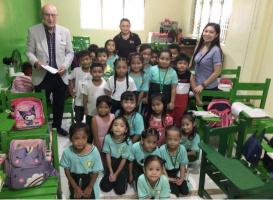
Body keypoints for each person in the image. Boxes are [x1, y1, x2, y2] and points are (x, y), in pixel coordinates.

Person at [26, 4, 74, 136]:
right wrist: (35, 62)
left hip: (60, 73)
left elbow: (70, 52)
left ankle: (57, 126)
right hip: (42, 74)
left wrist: (65, 65)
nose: (50, 18)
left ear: (56, 16)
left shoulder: (65, 31)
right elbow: (29, 52)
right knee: (40, 103)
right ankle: (40, 127)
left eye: (53, 15)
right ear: (42, 16)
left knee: (59, 103)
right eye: (47, 15)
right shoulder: (33, 31)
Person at [60, 123, 103, 199]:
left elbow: (96, 172)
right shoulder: (67, 152)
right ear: (70, 138)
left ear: (87, 137)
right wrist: (76, 187)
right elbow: (67, 172)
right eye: (76, 138)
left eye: (83, 138)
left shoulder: (94, 151)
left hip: (90, 180)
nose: (80, 141)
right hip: (74, 180)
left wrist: (90, 187)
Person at [191, 23, 223, 106]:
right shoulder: (199, 46)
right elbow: (194, 63)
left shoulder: (216, 50)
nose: (207, 34)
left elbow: (217, 72)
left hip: (208, 88)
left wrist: (203, 85)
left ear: (216, 35)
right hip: (196, 85)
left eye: (211, 32)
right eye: (206, 31)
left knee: (205, 112)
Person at [100, 116, 131, 195]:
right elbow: (107, 155)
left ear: (126, 130)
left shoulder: (128, 142)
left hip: (121, 164)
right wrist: (110, 172)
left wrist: (116, 174)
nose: (118, 128)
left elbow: (124, 159)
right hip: (111, 163)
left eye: (122, 126)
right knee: (104, 187)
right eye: (115, 125)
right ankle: (113, 179)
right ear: (111, 128)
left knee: (121, 191)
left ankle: (118, 179)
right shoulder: (107, 138)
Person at [160, 126, 189, 197]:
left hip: (177, 172)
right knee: (175, 194)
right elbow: (161, 166)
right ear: (165, 139)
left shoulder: (182, 149)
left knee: (185, 191)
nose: (172, 142)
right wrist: (168, 179)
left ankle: (174, 184)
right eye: (169, 139)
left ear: (180, 139)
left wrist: (181, 178)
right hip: (166, 172)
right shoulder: (162, 149)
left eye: (175, 140)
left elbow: (182, 165)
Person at [82, 62, 107, 142]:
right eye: (94, 72)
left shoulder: (105, 83)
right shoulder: (87, 84)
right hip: (90, 112)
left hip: (102, 112)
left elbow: (107, 97)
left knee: (100, 128)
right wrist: (85, 109)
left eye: (99, 72)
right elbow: (85, 98)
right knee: (89, 129)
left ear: (103, 72)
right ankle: (89, 143)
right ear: (90, 72)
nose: (97, 74)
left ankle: (100, 143)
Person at [69, 50, 92, 123]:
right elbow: (69, 79)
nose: (85, 61)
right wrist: (71, 91)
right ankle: (78, 131)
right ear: (79, 61)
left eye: (87, 59)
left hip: (90, 101)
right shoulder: (76, 70)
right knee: (78, 119)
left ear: (91, 59)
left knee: (89, 119)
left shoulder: (93, 71)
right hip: (78, 101)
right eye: (82, 60)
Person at [173, 53, 192, 126]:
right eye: (180, 63)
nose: (182, 65)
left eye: (185, 63)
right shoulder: (172, 73)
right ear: (176, 64)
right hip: (172, 100)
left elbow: (194, 87)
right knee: (170, 117)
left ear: (188, 65)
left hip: (182, 102)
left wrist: (198, 100)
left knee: (179, 118)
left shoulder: (189, 75)